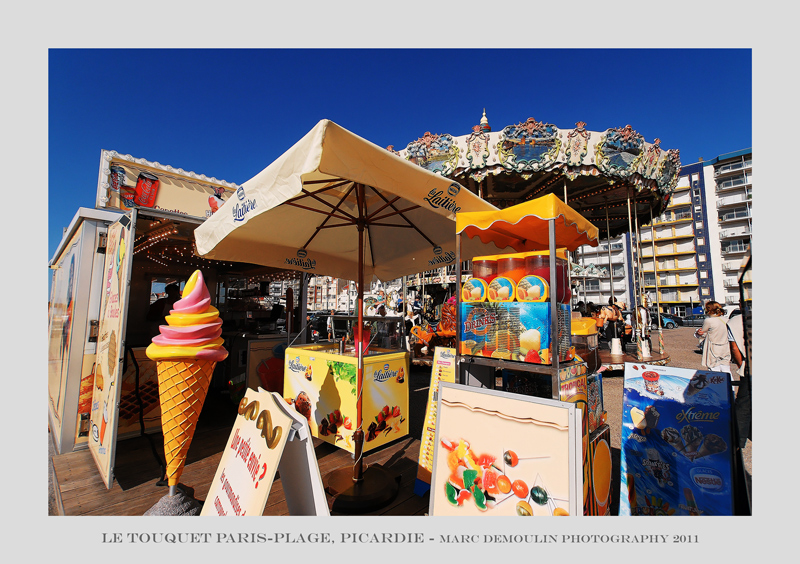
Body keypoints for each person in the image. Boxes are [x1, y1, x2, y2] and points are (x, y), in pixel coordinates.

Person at [728, 313, 751, 448]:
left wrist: (741, 365)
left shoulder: (736, 320)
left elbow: (734, 348)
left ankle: (739, 439)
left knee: (743, 404)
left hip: (750, 365)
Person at [695, 301, 731, 374]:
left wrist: (698, 333)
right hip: (725, 347)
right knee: (726, 370)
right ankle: (730, 385)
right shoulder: (726, 320)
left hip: (713, 347)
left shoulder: (709, 320)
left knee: (714, 371)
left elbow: (703, 333)